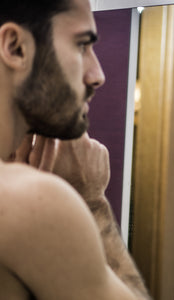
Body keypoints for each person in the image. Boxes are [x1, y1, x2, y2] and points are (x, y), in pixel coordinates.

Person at [0, 0, 150, 298]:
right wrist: (94, 202)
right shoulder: (30, 202)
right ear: (15, 47)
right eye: (82, 45)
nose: (97, 75)